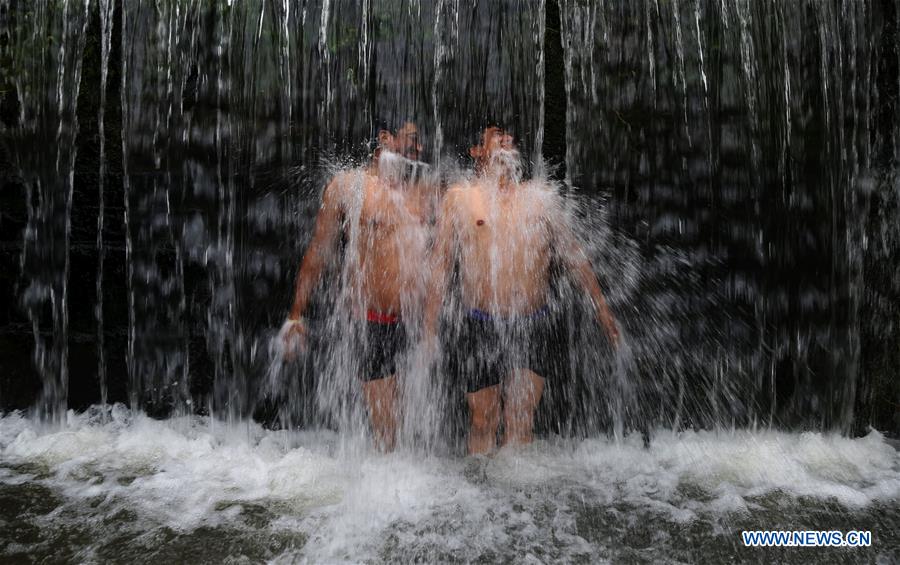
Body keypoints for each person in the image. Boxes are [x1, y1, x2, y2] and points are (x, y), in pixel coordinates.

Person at [424, 126, 619, 455]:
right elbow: (441, 267)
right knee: (483, 419)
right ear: (477, 149)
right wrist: (429, 328)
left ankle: (518, 498)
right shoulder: (460, 197)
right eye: (497, 134)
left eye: (511, 136)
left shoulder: (541, 196)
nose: (507, 140)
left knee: (521, 419)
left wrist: (602, 308)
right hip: (479, 324)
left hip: (532, 323)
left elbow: (574, 257)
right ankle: (482, 498)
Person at [283, 121, 435, 451]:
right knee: (388, 433)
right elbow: (318, 252)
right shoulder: (348, 186)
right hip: (371, 322)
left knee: (415, 429)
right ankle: (386, 488)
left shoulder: (424, 186)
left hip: (416, 324)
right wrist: (296, 314)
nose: (419, 148)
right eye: (413, 139)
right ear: (384, 139)